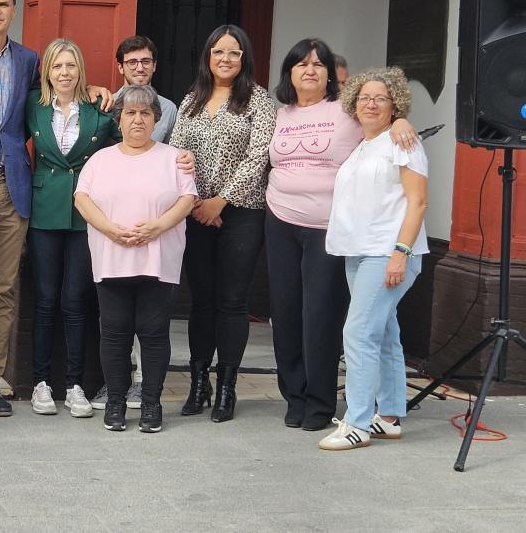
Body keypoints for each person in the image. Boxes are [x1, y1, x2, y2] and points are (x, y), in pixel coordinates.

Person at [0, 0, 113, 418]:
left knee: (3, 291)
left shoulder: (29, 60)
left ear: (13, 11)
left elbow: (58, 95)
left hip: (16, 187)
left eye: (4, 3)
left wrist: (93, 91)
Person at [266, 39, 418, 432]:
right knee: (284, 313)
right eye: (301, 64)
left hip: (329, 231)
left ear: (331, 75)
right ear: (290, 73)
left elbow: (380, 119)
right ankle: (294, 397)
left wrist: (401, 119)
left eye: (319, 64)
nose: (310, 70)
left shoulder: (346, 112)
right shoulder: (279, 113)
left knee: (321, 316)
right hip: (281, 220)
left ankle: (320, 402)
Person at [169, 24, 277, 423]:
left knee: (232, 301)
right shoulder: (192, 100)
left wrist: (221, 200)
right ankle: (199, 382)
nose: (225, 59)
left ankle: (227, 386)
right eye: (218, 52)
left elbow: (259, 156)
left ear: (244, 58)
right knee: (202, 301)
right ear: (208, 57)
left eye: (233, 53)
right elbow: (177, 152)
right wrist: (196, 199)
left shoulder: (258, 101)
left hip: (241, 212)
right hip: (196, 212)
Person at [74, 85, 198, 432]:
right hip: (112, 257)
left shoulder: (173, 158)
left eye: (145, 113)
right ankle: (115, 402)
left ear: (156, 118)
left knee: (154, 333)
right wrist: (111, 230)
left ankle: (151, 404)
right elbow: (82, 200)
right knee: (114, 334)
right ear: (119, 119)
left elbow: (187, 199)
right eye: (130, 113)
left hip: (158, 259)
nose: (138, 120)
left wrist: (156, 227)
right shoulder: (101, 159)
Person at [320, 67, 427, 451]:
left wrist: (401, 253)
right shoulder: (365, 144)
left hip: (387, 252)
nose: (370, 103)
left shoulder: (404, 141)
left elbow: (417, 202)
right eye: (364, 96)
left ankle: (358, 422)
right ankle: (390, 416)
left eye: (381, 97)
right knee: (382, 333)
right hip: (359, 251)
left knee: (358, 333)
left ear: (394, 104)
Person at [25, 38, 119, 419]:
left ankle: (75, 384)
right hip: (45, 209)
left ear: (81, 70)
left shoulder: (99, 107)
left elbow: (123, 150)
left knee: (75, 302)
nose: (64, 73)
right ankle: (41, 383)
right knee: (46, 300)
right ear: (47, 71)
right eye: (57, 66)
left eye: (71, 66)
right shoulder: (32, 103)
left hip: (85, 213)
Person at [111, 35, 178, 142]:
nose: (140, 68)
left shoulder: (168, 109)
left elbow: (171, 152)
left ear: (154, 65)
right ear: (120, 68)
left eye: (146, 61)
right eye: (132, 62)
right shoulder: (107, 104)